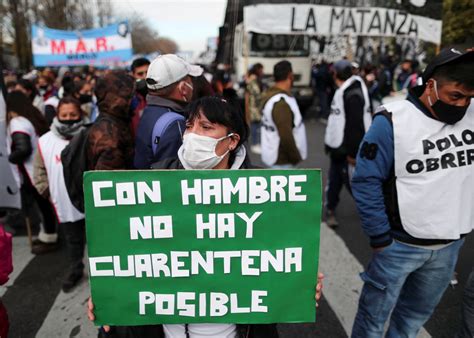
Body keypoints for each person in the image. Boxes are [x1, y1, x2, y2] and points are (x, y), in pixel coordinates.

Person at [87, 96, 324, 337]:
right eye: (189, 125)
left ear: (232, 141)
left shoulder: (266, 194)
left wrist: (300, 279)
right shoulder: (153, 184)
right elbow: (128, 255)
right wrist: (109, 294)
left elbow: (280, 256)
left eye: (206, 127)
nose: (192, 134)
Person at [350, 48, 474, 338]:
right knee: (372, 321)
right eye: (454, 96)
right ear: (430, 85)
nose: (462, 105)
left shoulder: (471, 112)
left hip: (448, 247)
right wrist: (380, 237)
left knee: (412, 320)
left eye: (469, 98)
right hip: (399, 245)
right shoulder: (392, 120)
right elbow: (366, 180)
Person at [33, 96, 89, 292]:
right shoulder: (45, 141)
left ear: (80, 114)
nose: (68, 118)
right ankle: (76, 269)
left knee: (98, 241)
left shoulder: (88, 136)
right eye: (64, 115)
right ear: (57, 115)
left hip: (90, 202)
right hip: (64, 203)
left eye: (73, 114)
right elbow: (39, 172)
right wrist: (47, 192)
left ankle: (103, 276)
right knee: (73, 241)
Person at [6, 91, 58, 254]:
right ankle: (48, 234)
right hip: (38, 168)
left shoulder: (17, 122)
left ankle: (50, 237)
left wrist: (9, 158)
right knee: (44, 205)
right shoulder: (28, 117)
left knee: (43, 206)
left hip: (31, 170)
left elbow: (23, 149)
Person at [323, 59, 372, 228]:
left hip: (346, 147)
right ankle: (330, 208)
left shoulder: (352, 93)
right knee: (336, 179)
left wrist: (353, 152)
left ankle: (374, 214)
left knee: (354, 182)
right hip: (340, 146)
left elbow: (355, 125)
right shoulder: (349, 89)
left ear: (335, 74)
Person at [134, 54, 203, 169]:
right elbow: (172, 179)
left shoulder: (149, 110)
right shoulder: (175, 124)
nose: (192, 83)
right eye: (190, 79)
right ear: (183, 88)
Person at [260, 60, 307, 169]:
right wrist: (295, 157)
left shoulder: (272, 96)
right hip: (283, 161)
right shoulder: (281, 103)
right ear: (290, 75)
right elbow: (286, 135)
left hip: (274, 157)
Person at [87, 71, 135, 171]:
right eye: (128, 96)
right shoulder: (108, 135)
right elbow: (111, 181)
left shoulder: (116, 121)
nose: (131, 100)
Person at [245, 63, 264, 154]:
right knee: (255, 125)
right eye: (261, 70)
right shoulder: (253, 79)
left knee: (256, 125)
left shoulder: (251, 79)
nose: (262, 72)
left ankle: (256, 143)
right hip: (254, 106)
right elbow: (256, 93)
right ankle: (255, 144)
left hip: (254, 106)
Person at [130, 57, 151, 136]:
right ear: (133, 75)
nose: (145, 77)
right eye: (140, 74)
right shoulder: (130, 101)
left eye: (147, 72)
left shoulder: (161, 96)